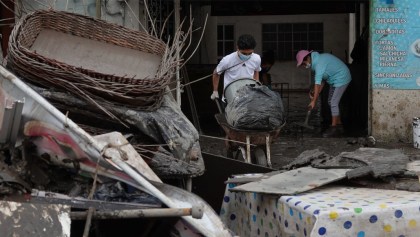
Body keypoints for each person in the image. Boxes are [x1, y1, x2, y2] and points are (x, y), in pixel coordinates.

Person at [296, 50, 351, 137]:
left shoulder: (319, 63)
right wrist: (315, 93)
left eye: (303, 63)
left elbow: (317, 83)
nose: (304, 66)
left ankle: (334, 128)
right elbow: (322, 81)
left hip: (342, 78)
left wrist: (314, 101)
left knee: (333, 102)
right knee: (331, 101)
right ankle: (339, 125)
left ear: (308, 58)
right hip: (334, 80)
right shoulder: (316, 63)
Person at [210, 34, 261, 101]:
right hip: (230, 97)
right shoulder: (227, 60)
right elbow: (216, 73)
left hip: (249, 98)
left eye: (250, 53)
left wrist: (256, 85)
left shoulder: (256, 58)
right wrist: (215, 91)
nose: (247, 55)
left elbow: (256, 71)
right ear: (237, 48)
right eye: (244, 53)